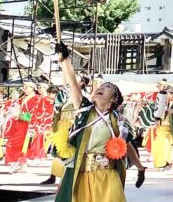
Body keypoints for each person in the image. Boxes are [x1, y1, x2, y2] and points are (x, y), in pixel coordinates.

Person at [53, 42, 142, 202]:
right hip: (82, 174)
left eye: (107, 87)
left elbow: (127, 146)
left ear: (114, 99)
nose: (101, 87)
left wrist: (140, 168)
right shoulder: (84, 110)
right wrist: (65, 59)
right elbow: (73, 83)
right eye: (101, 85)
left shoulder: (120, 122)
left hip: (107, 175)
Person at [4, 80, 41, 173]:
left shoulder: (36, 99)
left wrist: (20, 115)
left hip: (27, 125)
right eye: (24, 87)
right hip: (19, 124)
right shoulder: (23, 98)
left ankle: (16, 162)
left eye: (27, 87)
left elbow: (35, 114)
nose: (24, 89)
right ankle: (22, 165)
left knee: (16, 144)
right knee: (15, 143)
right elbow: (13, 104)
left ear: (32, 88)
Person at [146, 81, 173, 170]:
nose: (166, 95)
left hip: (168, 129)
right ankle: (160, 164)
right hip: (160, 129)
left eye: (168, 93)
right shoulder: (160, 103)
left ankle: (167, 162)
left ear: (172, 95)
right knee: (157, 146)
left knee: (165, 145)